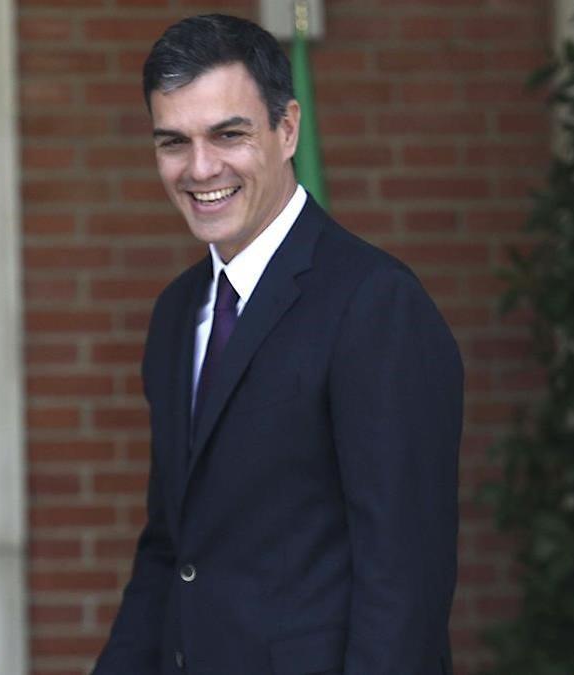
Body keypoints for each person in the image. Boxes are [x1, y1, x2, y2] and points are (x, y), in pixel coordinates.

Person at [93, 14, 463, 675]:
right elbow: (170, 550)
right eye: (172, 142)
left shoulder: (376, 304)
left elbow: (403, 580)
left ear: (287, 129)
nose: (200, 168)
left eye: (228, 135)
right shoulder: (177, 313)